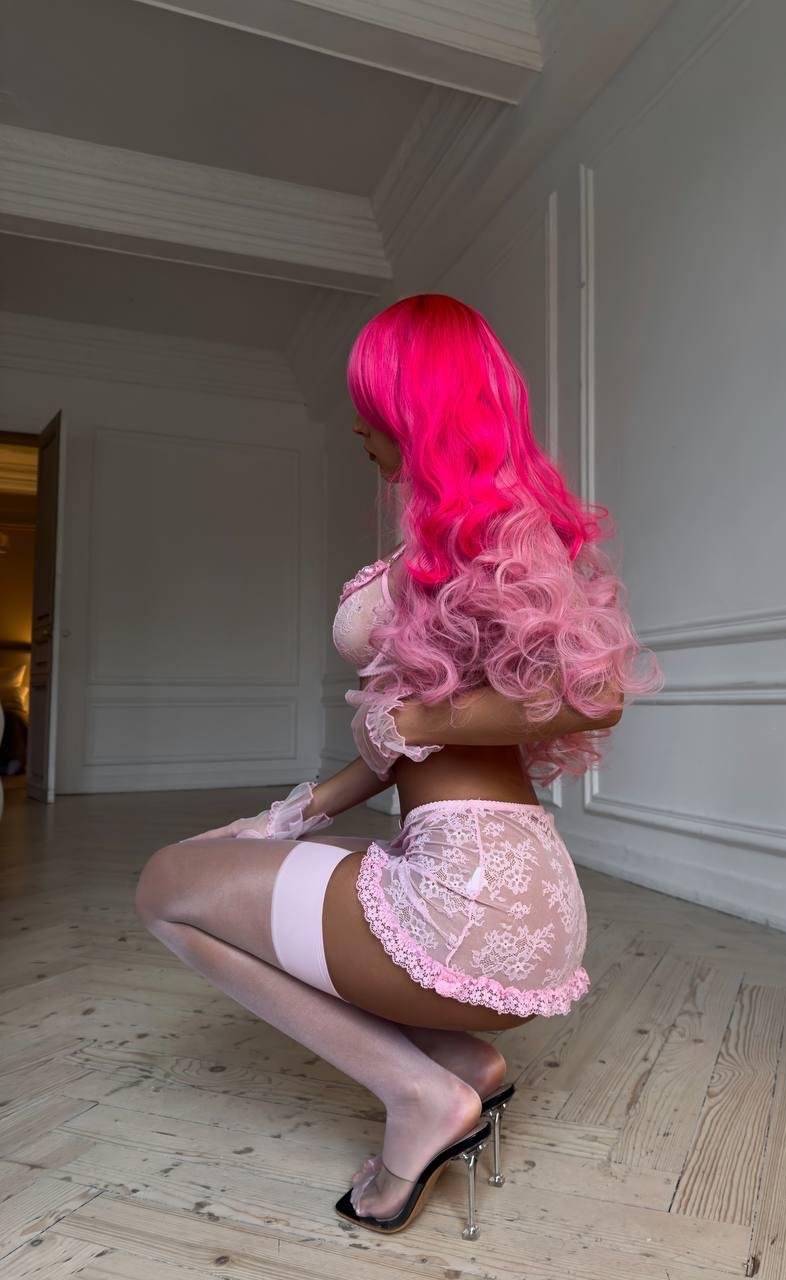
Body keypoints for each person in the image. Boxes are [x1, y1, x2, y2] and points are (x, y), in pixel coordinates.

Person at [134, 293, 663, 1237]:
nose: (357, 428)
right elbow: (395, 749)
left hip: (471, 898)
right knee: (203, 870)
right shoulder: (458, 539)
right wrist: (285, 819)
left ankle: (417, 1093)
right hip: (501, 882)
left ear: (417, 410)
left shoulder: (494, 532)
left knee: (164, 891)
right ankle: (460, 1065)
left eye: (371, 406)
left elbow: (594, 694)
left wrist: (421, 711)